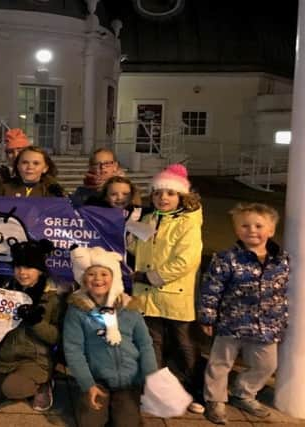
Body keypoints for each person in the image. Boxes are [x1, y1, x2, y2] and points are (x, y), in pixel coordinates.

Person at [200, 203, 288, 424]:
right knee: (220, 363)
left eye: (259, 226)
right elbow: (211, 288)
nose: (252, 230)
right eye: (245, 226)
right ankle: (215, 400)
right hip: (231, 322)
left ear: (271, 230)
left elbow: (285, 290)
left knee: (267, 365)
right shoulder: (226, 258)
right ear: (237, 229)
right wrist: (207, 315)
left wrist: (282, 319)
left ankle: (243, 393)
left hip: (267, 325)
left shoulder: (282, 260)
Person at [128, 163, 204, 413]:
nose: (163, 198)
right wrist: (127, 231)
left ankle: (193, 392)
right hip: (148, 298)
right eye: (158, 193)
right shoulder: (149, 219)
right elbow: (135, 250)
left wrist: (151, 277)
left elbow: (186, 260)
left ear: (182, 196)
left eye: (170, 193)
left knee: (184, 346)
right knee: (152, 346)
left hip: (174, 297)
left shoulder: (187, 224)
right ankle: (158, 392)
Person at [64, 246, 157, 426]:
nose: (98, 279)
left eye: (104, 274)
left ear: (114, 278)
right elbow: (73, 350)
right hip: (97, 380)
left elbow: (145, 344)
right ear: (83, 278)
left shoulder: (129, 308)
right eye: (91, 274)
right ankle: (86, 398)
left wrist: (150, 377)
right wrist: (87, 384)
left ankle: (125, 406)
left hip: (129, 381)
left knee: (127, 423)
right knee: (90, 422)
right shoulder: (77, 311)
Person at [0, 239, 61, 412]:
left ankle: (43, 383)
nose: (22, 273)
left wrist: (36, 322)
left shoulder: (52, 298)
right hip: (6, 357)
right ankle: (17, 379)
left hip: (35, 358)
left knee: (12, 388)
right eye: (18, 267)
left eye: (29, 267)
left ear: (40, 270)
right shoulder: (6, 293)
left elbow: (56, 337)